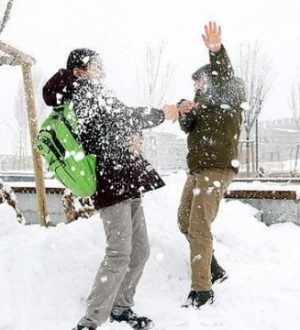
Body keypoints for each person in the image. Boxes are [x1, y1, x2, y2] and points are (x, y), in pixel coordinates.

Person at [42, 48, 178, 330]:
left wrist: (134, 135)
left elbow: (117, 125)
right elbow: (121, 118)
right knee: (119, 253)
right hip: (110, 183)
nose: (102, 69)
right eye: (96, 65)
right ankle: (90, 321)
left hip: (127, 180)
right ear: (80, 71)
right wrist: (160, 114)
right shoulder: (82, 94)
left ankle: (121, 308)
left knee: (140, 251)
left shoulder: (98, 93)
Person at [177, 22, 246, 308]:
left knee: (199, 227)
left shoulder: (230, 90)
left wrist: (216, 51)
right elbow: (188, 127)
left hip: (217, 168)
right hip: (198, 169)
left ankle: (202, 291)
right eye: (194, 85)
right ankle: (213, 267)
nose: (196, 87)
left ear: (210, 78)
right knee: (185, 222)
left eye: (199, 82)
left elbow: (224, 74)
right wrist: (184, 110)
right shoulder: (202, 104)